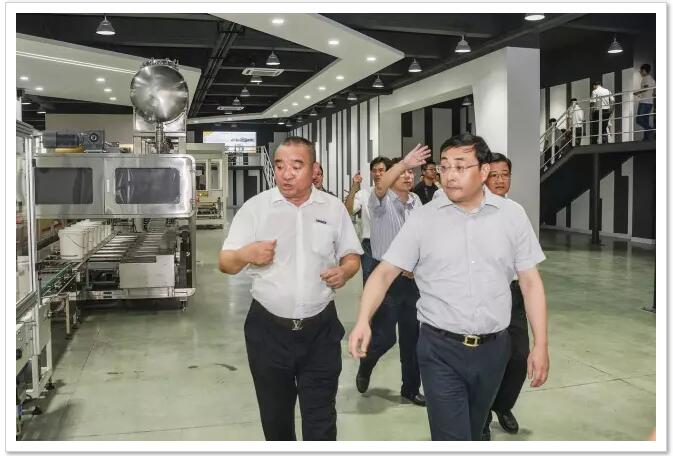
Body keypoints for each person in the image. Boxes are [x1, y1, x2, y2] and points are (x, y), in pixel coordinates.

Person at [348, 133, 550, 441]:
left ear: (483, 171)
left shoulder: (512, 216)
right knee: (451, 438)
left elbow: (531, 282)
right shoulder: (424, 218)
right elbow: (384, 272)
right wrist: (363, 319)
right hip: (440, 349)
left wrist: (541, 344)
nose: (450, 175)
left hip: (494, 349)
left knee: (474, 430)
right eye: (444, 167)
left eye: (460, 166)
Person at [219, 136, 363, 441]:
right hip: (268, 332)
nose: (286, 174)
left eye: (296, 166)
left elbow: (352, 256)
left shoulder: (333, 208)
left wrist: (345, 272)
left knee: (321, 421)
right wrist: (246, 254)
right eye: (280, 166)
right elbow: (226, 262)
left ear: (313, 169)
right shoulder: (256, 208)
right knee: (276, 420)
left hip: (320, 331)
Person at [355, 144, 431, 407]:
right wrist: (402, 163)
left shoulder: (416, 202)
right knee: (385, 337)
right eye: (403, 172)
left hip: (412, 281)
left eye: (411, 172)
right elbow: (380, 186)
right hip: (385, 279)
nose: (408, 176)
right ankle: (366, 364)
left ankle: (410, 388)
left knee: (412, 338)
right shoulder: (379, 201)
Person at [481, 153, 529, 441]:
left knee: (519, 357)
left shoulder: (516, 211)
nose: (500, 180)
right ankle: (482, 415)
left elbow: (527, 260)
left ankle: (503, 405)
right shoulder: (474, 210)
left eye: (505, 174)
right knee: (488, 360)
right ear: (483, 176)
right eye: (494, 175)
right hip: (485, 293)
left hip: (513, 292)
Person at [344, 157, 392, 284]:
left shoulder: (395, 194)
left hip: (390, 244)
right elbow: (348, 210)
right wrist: (354, 188)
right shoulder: (364, 194)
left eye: (381, 170)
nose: (377, 174)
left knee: (390, 284)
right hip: (369, 245)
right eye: (374, 171)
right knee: (369, 282)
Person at [634, 63, 656, 141]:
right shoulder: (651, 79)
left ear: (644, 70)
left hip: (645, 102)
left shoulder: (647, 79)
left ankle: (651, 131)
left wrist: (637, 92)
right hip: (649, 102)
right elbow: (653, 91)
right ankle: (647, 138)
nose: (640, 72)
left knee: (639, 120)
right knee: (645, 120)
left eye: (640, 71)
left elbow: (645, 88)